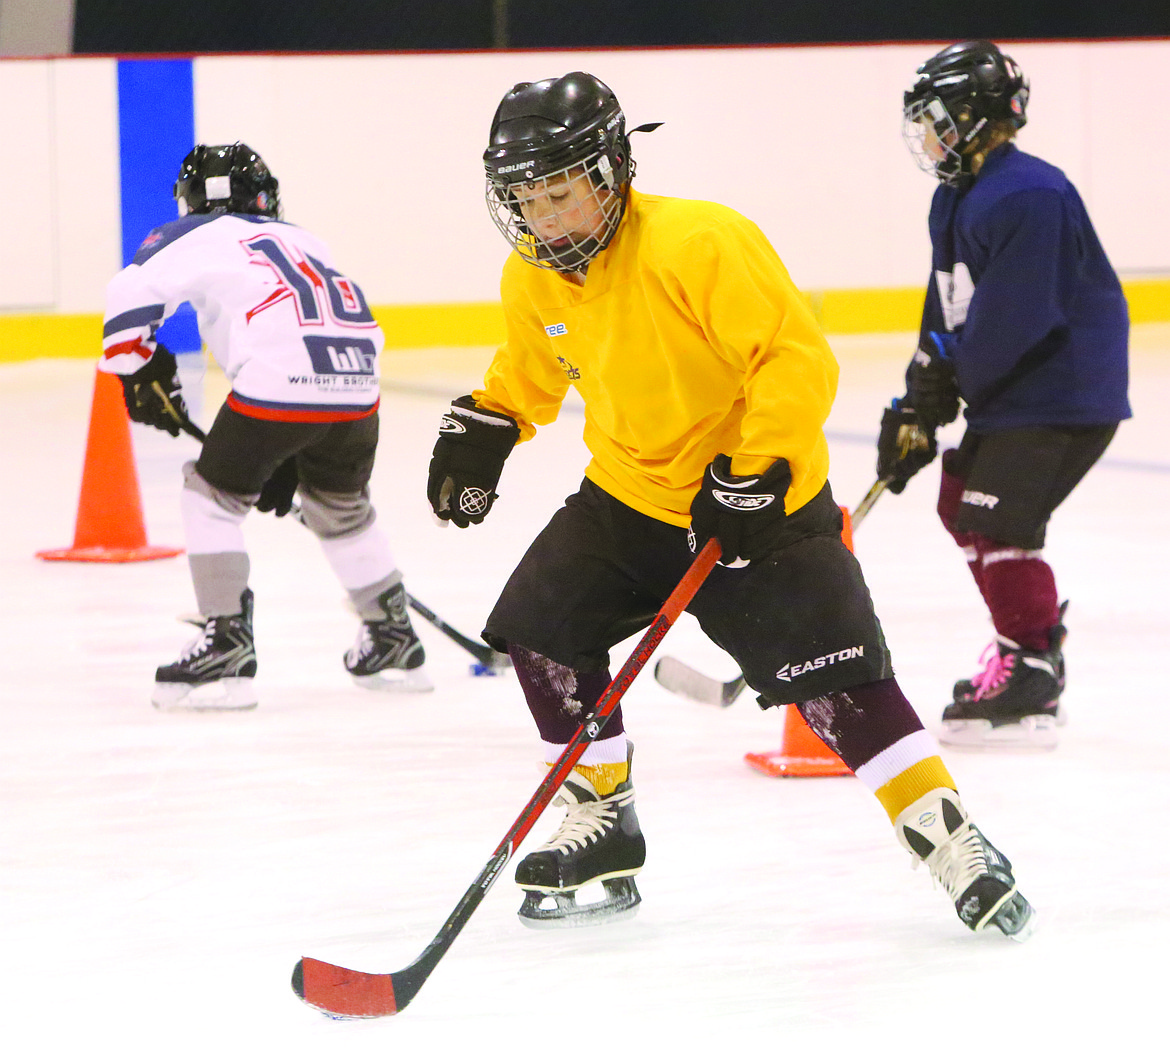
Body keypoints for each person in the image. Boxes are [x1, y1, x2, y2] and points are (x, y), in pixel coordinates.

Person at [425, 71, 1034, 939]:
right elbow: (529, 375)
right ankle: (604, 821)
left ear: (608, 174)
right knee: (541, 628)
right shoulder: (532, 279)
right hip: (628, 498)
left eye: (559, 194)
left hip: (759, 501)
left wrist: (757, 471)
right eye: (525, 199)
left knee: (842, 686)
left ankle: (950, 840)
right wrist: (487, 423)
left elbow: (793, 361)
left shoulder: (698, 241)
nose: (543, 218)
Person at [99, 142, 430, 710]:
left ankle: (226, 640)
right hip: (357, 382)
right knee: (340, 506)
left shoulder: (192, 233)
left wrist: (137, 367)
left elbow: (128, 296)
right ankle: (391, 634)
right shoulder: (305, 238)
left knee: (211, 498)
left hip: (281, 380)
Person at [879, 41, 1131, 749]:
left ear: (973, 115)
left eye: (935, 119)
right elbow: (949, 306)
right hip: (1018, 391)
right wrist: (915, 404)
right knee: (961, 501)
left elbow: (1015, 316)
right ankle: (1027, 647)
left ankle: (1033, 671)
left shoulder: (1029, 193)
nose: (925, 136)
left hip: (1061, 389)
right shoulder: (954, 196)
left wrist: (948, 386)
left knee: (998, 519)